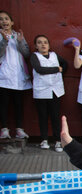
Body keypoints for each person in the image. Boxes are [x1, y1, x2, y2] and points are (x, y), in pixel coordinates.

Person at [30, 34, 68, 152]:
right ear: (36, 46)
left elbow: (65, 64)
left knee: (55, 117)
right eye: (40, 42)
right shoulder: (34, 56)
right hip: (41, 91)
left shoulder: (54, 55)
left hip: (55, 90)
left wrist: (61, 72)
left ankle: (57, 141)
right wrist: (56, 69)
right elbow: (39, 69)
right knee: (43, 116)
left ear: (49, 45)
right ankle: (44, 140)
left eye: (45, 42)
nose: (43, 44)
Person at [0, 11, 31, 140]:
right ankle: (4, 130)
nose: (4, 21)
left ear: (12, 22)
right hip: (4, 76)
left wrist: (20, 42)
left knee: (19, 104)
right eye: (1, 19)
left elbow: (26, 54)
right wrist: (5, 41)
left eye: (6, 19)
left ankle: (19, 129)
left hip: (18, 76)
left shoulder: (18, 35)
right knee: (3, 104)